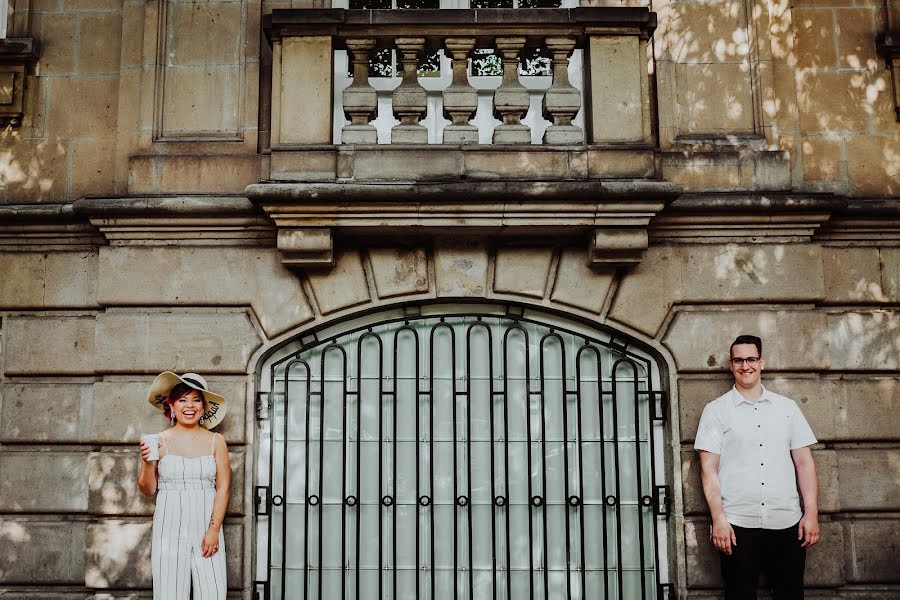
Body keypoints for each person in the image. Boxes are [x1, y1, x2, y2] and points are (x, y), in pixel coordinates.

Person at [695, 335, 819, 599]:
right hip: (738, 525)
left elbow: (804, 463)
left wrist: (811, 514)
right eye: (738, 360)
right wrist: (718, 519)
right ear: (731, 365)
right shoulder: (715, 411)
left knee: (790, 594)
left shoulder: (788, 408)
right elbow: (708, 470)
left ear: (761, 362)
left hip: (787, 523)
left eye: (751, 359)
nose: (745, 366)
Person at [138, 372, 232, 600]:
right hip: (168, 527)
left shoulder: (216, 441)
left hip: (206, 527)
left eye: (196, 400)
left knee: (214, 594)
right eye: (182, 400)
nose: (189, 406)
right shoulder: (157, 440)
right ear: (171, 405)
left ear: (203, 406)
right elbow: (148, 490)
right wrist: (148, 464)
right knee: (170, 594)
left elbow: (224, 488)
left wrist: (213, 530)